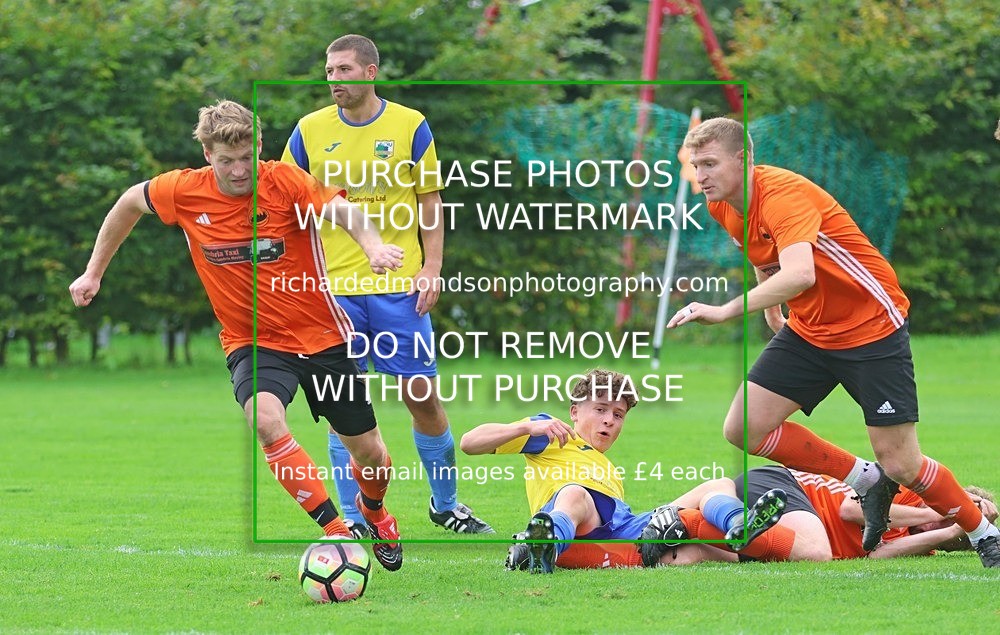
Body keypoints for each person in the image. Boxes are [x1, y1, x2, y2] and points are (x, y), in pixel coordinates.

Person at [69, 99, 405, 571]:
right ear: (208, 155)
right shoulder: (184, 191)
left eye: (245, 157)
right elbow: (128, 203)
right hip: (254, 341)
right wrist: (93, 273)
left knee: (371, 454)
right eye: (225, 160)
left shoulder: (284, 181)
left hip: (322, 335)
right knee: (265, 421)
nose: (237, 169)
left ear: (259, 147)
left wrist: (372, 247)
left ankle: (374, 511)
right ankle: (337, 530)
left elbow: (343, 212)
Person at [666, 117, 1000, 568]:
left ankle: (983, 533)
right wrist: (772, 312)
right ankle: (864, 478)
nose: (699, 175)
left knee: (902, 464)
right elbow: (767, 258)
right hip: (810, 330)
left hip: (871, 327)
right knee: (744, 427)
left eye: (709, 163)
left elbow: (800, 272)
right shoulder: (723, 205)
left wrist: (724, 310)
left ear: (744, 161)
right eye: (694, 164)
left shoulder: (784, 195)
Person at [281, 34, 493, 536]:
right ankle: (354, 520)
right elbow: (286, 202)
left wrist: (432, 268)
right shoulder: (309, 131)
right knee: (340, 403)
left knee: (422, 395)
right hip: (334, 292)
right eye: (330, 71)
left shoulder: (410, 124)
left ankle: (446, 505)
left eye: (346, 70)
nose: (335, 80)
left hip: (400, 288)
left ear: (371, 71)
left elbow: (430, 202)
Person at [459, 369, 786, 573]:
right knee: (575, 493)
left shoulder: (608, 469)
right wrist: (526, 425)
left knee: (713, 496)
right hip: (577, 525)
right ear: (574, 411)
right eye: (600, 410)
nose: (609, 421)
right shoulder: (551, 436)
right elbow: (470, 443)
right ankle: (545, 547)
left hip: (624, 527)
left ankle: (741, 527)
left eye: (618, 414)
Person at [641, 466, 998, 565]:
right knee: (816, 553)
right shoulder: (899, 490)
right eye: (952, 508)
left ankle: (664, 529)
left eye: (956, 526)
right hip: (782, 486)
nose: (944, 519)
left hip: (785, 527)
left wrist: (944, 534)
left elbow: (875, 554)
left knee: (682, 558)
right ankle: (689, 516)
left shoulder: (923, 544)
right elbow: (850, 509)